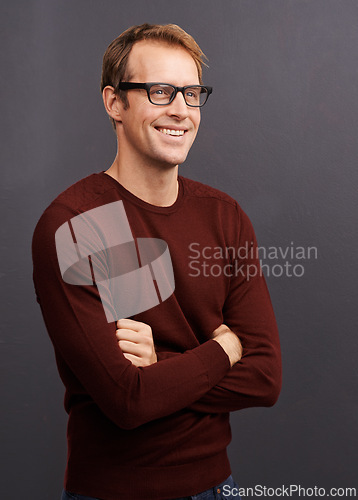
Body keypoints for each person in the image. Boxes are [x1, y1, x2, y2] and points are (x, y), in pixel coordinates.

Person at [32, 23, 281, 500]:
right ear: (114, 103)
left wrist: (163, 367)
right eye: (160, 91)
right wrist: (224, 351)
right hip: (115, 491)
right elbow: (128, 399)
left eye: (191, 94)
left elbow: (265, 376)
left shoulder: (224, 216)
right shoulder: (79, 224)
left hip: (217, 486)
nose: (180, 111)